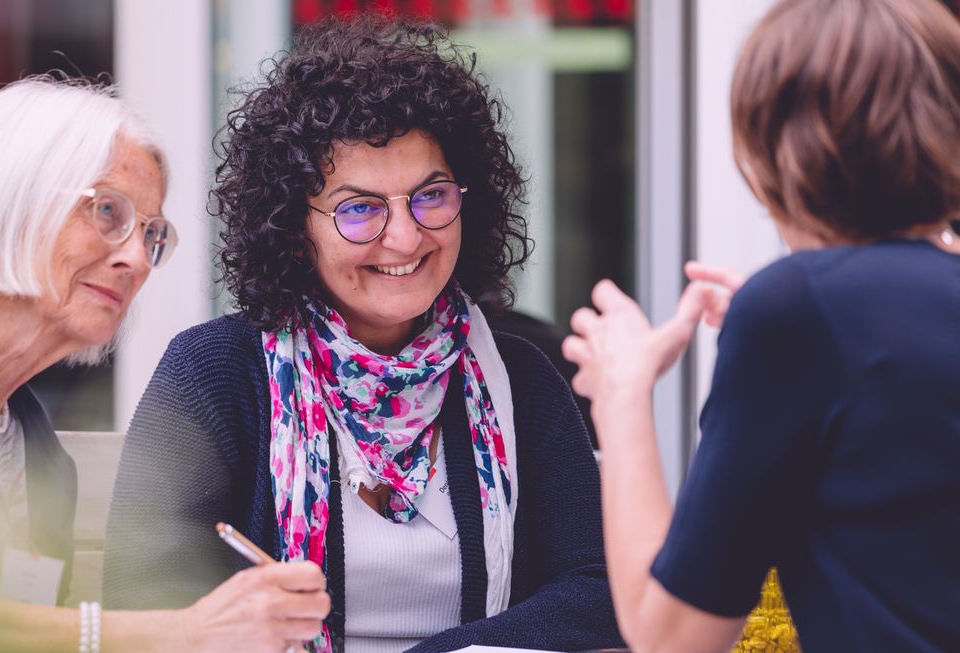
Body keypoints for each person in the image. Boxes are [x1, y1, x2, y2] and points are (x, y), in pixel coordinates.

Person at [101, 15, 622, 653]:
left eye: (430, 196)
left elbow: (595, 586)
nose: (404, 238)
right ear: (295, 226)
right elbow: (141, 596)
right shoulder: (215, 373)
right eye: (359, 209)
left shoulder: (520, 377)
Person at [563, 0, 960, 652]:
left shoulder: (796, 309)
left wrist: (622, 393)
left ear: (770, 149)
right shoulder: (833, 316)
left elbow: (672, 637)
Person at [0, 77, 329, 653]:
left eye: (151, 233)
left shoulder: (37, 455)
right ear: (13, 195)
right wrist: (185, 633)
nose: (138, 259)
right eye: (109, 211)